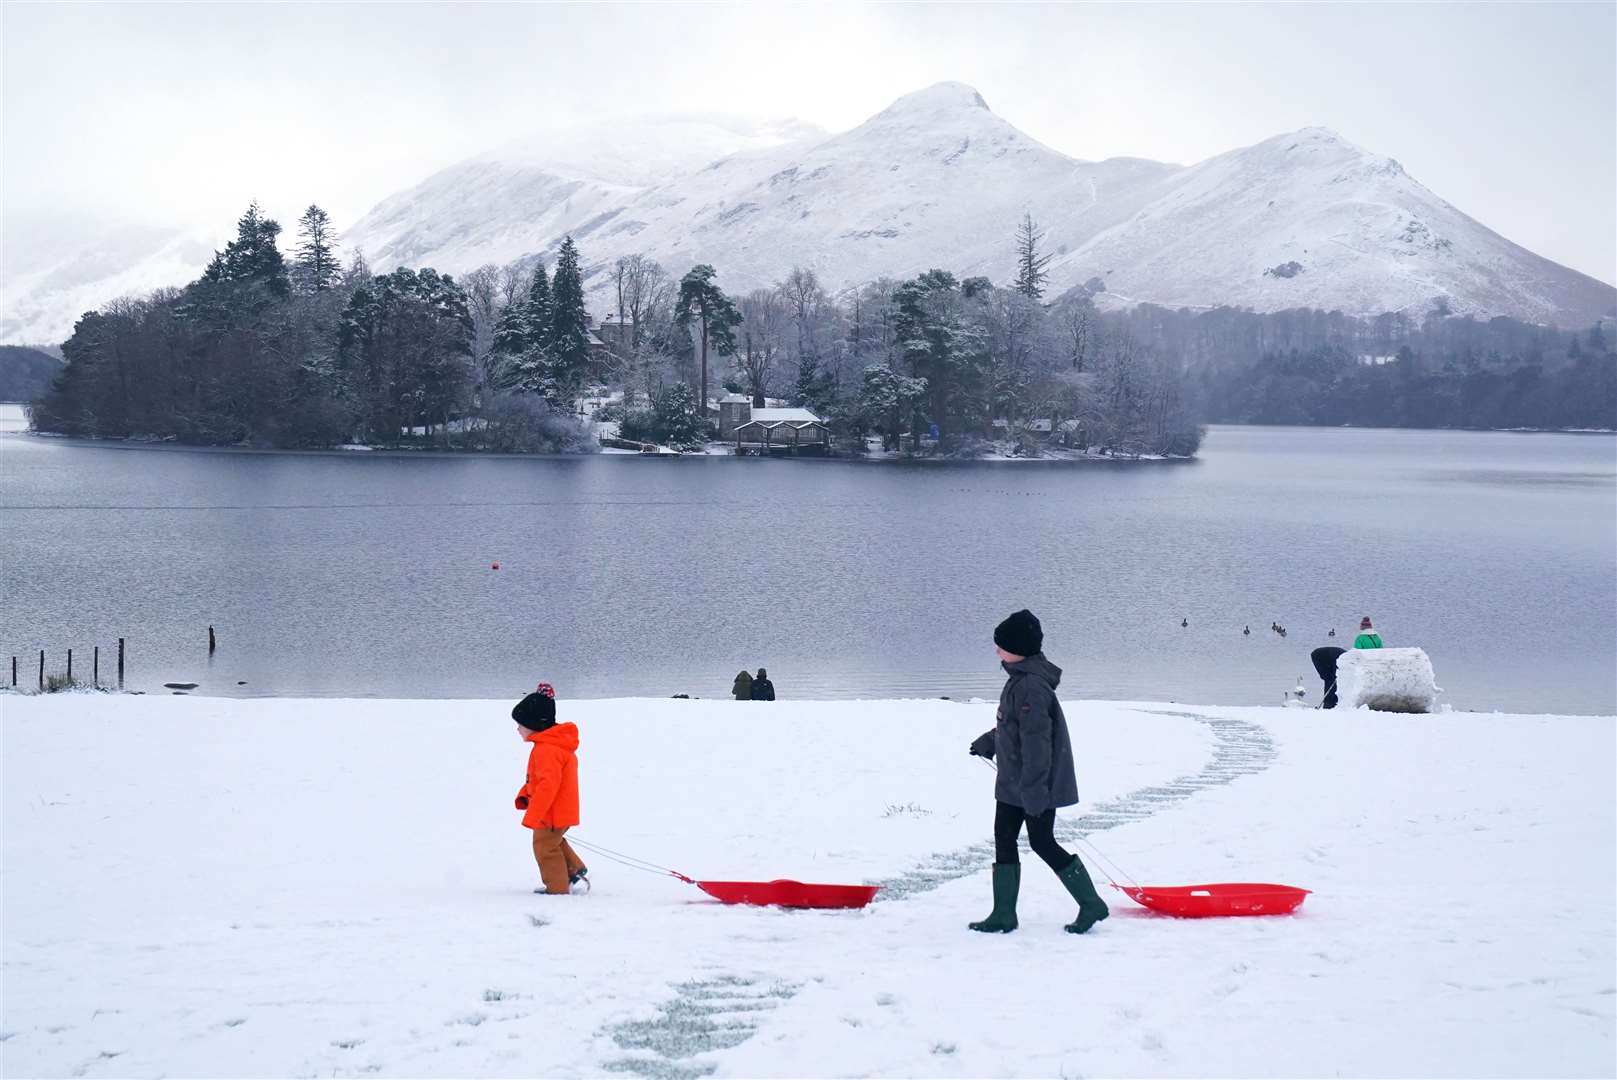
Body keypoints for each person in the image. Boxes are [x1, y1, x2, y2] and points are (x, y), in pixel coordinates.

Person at [967, 609, 1108, 935]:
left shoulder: (1031, 687)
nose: (996, 650)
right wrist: (989, 741)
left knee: (1043, 842)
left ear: (1017, 649)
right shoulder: (1019, 680)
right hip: (1014, 783)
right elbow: (1013, 728)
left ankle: (1091, 904)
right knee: (1004, 837)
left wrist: (1034, 791)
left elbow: (1037, 744)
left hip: (1035, 785)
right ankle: (1003, 914)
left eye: (1001, 645)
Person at [511, 682, 587, 895]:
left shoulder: (547, 750)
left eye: (521, 725)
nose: (518, 729)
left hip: (551, 812)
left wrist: (535, 814)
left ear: (534, 724)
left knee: (545, 847)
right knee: (552, 841)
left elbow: (548, 787)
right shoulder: (551, 746)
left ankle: (557, 889)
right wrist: (526, 795)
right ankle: (575, 871)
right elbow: (538, 781)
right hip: (558, 810)